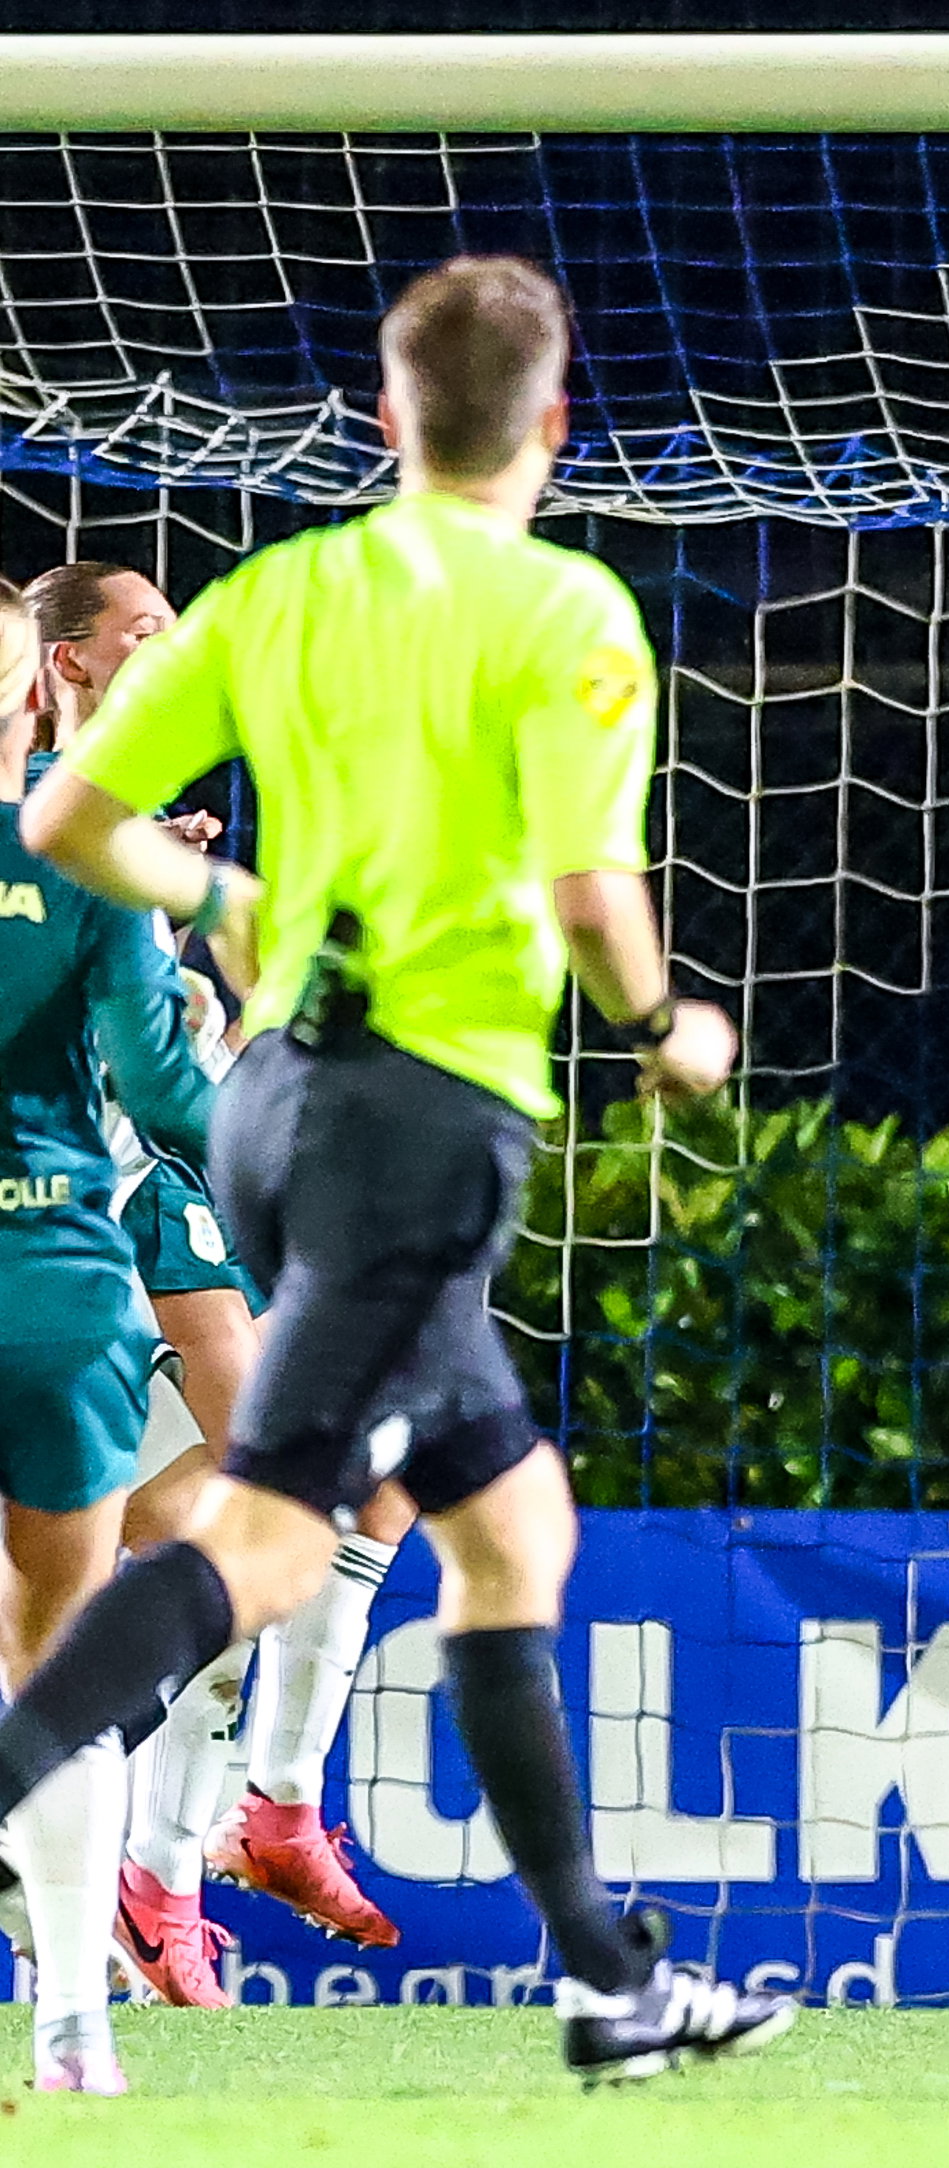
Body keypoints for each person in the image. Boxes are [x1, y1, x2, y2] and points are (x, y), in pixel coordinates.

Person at [8, 254, 786, 2085]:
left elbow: (68, 815)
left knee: (508, 1529)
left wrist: (222, 892)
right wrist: (665, 1022)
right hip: (417, 1121)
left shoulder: (284, 590)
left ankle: (606, 1979)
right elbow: (591, 893)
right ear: (556, 421)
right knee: (273, 1531)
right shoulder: (565, 608)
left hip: (276, 1104)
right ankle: (29, 1774)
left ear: (385, 418)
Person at [27, 560, 409, 2004]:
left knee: (312, 1490)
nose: (173, 643)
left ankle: (174, 1856)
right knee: (288, 1483)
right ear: (63, 661)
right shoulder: (54, 812)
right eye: (143, 628)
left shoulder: (113, 823)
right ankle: (155, 1833)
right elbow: (122, 1051)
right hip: (109, 1201)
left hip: (154, 1182)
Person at [0, 577, 216, 2092]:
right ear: (36, 691)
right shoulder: (91, 853)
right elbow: (163, 1089)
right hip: (53, 1287)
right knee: (57, 1654)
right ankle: (72, 2018)